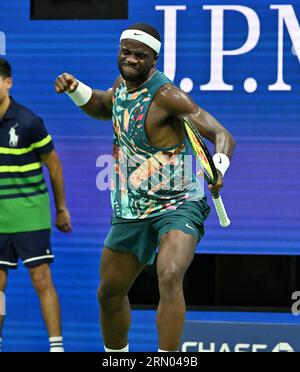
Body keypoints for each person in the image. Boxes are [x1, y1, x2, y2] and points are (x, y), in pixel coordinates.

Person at [55, 23, 235, 352]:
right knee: (109, 293)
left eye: (141, 55)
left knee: (168, 274)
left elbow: (223, 136)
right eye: (126, 52)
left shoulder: (168, 96)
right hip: (131, 207)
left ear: (154, 60)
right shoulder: (121, 85)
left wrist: (218, 165)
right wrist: (75, 88)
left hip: (179, 204)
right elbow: (103, 106)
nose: (132, 59)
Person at [0, 58, 72, 352]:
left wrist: (61, 209)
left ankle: (56, 348)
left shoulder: (29, 122)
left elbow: (54, 166)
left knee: (42, 280)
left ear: (8, 83)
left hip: (31, 215)